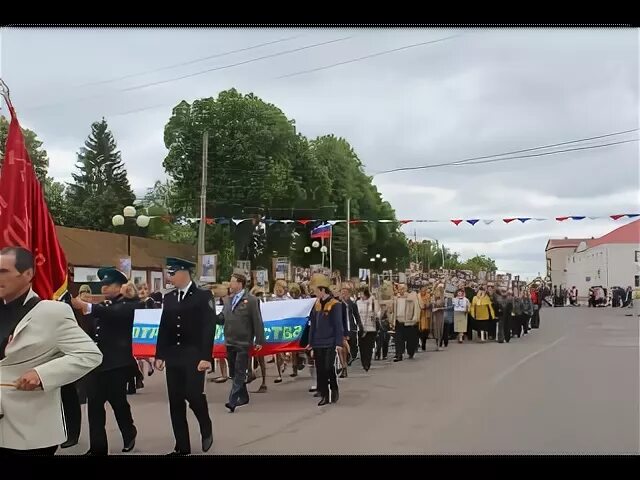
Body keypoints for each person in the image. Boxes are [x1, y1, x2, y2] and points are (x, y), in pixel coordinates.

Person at [0, 246, 102, 455]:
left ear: (28, 274)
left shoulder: (51, 312)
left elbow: (89, 354)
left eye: (3, 271)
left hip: (30, 429)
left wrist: (41, 374)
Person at [70, 268, 139, 455]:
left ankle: (129, 432)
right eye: (104, 285)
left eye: (109, 285)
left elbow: (115, 314)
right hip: (97, 363)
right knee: (94, 405)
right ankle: (98, 447)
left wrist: (86, 306)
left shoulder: (128, 305)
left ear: (120, 286)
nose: (105, 288)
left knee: (118, 402)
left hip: (117, 363)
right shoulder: (106, 305)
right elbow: (94, 329)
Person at [155, 258, 216, 456]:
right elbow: (164, 327)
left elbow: (209, 327)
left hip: (194, 354)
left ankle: (205, 425)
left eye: (172, 273)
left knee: (193, 395)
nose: (169, 277)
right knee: (175, 400)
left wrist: (206, 356)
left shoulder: (202, 295)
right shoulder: (170, 298)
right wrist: (160, 354)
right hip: (174, 354)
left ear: (184, 273)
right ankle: (182, 447)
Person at [218, 272, 265, 413]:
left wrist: (259, 339)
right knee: (233, 372)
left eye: (232, 281)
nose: (230, 284)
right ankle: (243, 396)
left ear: (240, 283)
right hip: (230, 341)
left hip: (243, 342)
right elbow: (222, 318)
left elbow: (257, 320)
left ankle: (232, 400)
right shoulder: (228, 300)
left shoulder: (250, 300)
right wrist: (209, 316)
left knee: (239, 371)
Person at [307, 274, 343, 406]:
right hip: (317, 342)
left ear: (322, 290)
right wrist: (310, 343)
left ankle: (334, 387)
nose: (315, 293)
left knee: (328, 367)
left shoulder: (335, 304)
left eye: (316, 290)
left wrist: (339, 343)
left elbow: (338, 324)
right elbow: (312, 325)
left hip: (330, 341)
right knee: (320, 369)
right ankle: (324, 395)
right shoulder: (316, 305)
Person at [391, 284, 419, 361]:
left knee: (410, 340)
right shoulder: (396, 298)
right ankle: (399, 354)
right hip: (398, 321)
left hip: (408, 321)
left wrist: (415, 319)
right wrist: (392, 320)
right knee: (398, 339)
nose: (401, 290)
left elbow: (416, 308)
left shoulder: (411, 297)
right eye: (400, 288)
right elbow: (392, 310)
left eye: (403, 288)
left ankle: (411, 352)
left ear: (406, 289)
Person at [339, 286, 363, 377]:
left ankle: (350, 356)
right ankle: (344, 364)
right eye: (342, 292)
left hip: (351, 327)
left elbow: (356, 315)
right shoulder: (338, 303)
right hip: (341, 328)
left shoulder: (351, 304)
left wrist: (359, 325)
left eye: (345, 292)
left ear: (348, 294)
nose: (343, 294)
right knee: (343, 346)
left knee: (352, 343)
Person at [355, 288, 379, 372]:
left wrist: (372, 302)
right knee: (362, 346)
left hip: (370, 328)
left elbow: (376, 313)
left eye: (362, 294)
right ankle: (363, 362)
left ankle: (367, 362)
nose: (361, 296)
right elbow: (356, 314)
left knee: (369, 346)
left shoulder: (372, 302)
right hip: (361, 327)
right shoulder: (357, 303)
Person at [417, 286, 432, 351]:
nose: (423, 292)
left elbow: (429, 304)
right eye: (422, 290)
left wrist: (426, 305)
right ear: (420, 290)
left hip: (426, 315)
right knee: (419, 329)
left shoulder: (428, 296)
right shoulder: (418, 296)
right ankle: (419, 342)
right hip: (419, 314)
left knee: (425, 330)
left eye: (424, 290)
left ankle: (424, 343)